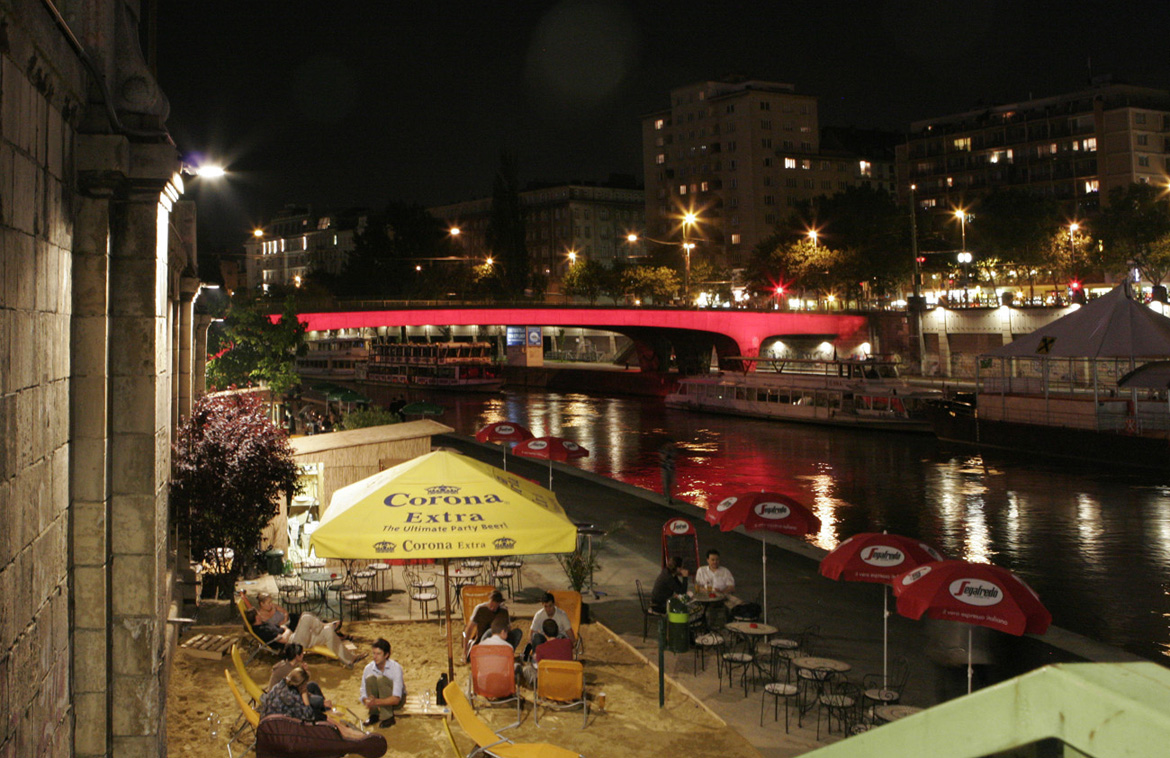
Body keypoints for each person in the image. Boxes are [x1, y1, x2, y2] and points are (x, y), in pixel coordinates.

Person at [269, 644, 330, 721]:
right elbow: (302, 688)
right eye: (302, 653)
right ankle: (324, 712)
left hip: (289, 691)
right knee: (317, 701)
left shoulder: (290, 664)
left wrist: (305, 670)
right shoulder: (288, 670)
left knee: (313, 685)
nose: (303, 654)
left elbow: (302, 682)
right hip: (284, 697)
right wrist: (322, 702)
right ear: (297, 656)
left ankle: (326, 710)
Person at [359, 638, 405, 728]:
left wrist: (376, 702)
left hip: (395, 702)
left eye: (378, 654)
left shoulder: (396, 668)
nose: (375, 657)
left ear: (386, 655)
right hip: (377, 701)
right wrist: (367, 701)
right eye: (374, 653)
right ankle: (374, 714)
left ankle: (388, 717)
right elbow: (363, 690)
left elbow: (396, 698)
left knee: (381, 679)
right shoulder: (368, 668)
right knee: (370, 679)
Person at [463, 590, 521, 658]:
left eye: (496, 606)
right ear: (489, 600)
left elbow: (508, 627)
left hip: (500, 639)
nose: (493, 608)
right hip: (484, 639)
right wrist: (465, 650)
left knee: (517, 632)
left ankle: (508, 654)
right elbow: (469, 628)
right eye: (491, 605)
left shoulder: (503, 611)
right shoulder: (480, 609)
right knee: (491, 631)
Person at [521, 618, 573, 686]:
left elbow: (538, 668)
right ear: (557, 631)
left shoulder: (540, 649)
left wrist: (535, 659)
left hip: (548, 683)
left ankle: (535, 685)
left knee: (526, 669)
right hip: (566, 681)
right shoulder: (568, 643)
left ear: (545, 634)